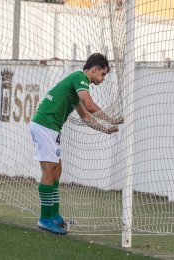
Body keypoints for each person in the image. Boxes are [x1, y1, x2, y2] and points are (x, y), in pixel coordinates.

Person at [30, 53, 123, 235]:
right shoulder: (79, 78)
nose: (102, 79)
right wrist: (111, 119)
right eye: (102, 74)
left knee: (57, 170)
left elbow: (86, 116)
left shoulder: (76, 86)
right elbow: (89, 105)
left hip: (50, 127)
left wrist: (106, 129)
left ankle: (54, 215)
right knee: (49, 170)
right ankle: (44, 219)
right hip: (44, 125)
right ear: (95, 70)